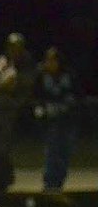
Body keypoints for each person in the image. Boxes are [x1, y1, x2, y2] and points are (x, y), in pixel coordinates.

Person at [0, 32, 34, 192]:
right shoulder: (0, 62)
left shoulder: (27, 66)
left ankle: (5, 179)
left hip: (16, 113)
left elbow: (25, 87)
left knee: (5, 149)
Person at [34, 47, 77, 192]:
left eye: (53, 60)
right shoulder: (41, 75)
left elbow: (75, 95)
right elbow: (37, 96)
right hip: (50, 122)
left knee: (64, 152)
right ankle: (49, 183)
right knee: (51, 152)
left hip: (67, 121)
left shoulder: (68, 75)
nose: (50, 64)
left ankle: (59, 182)